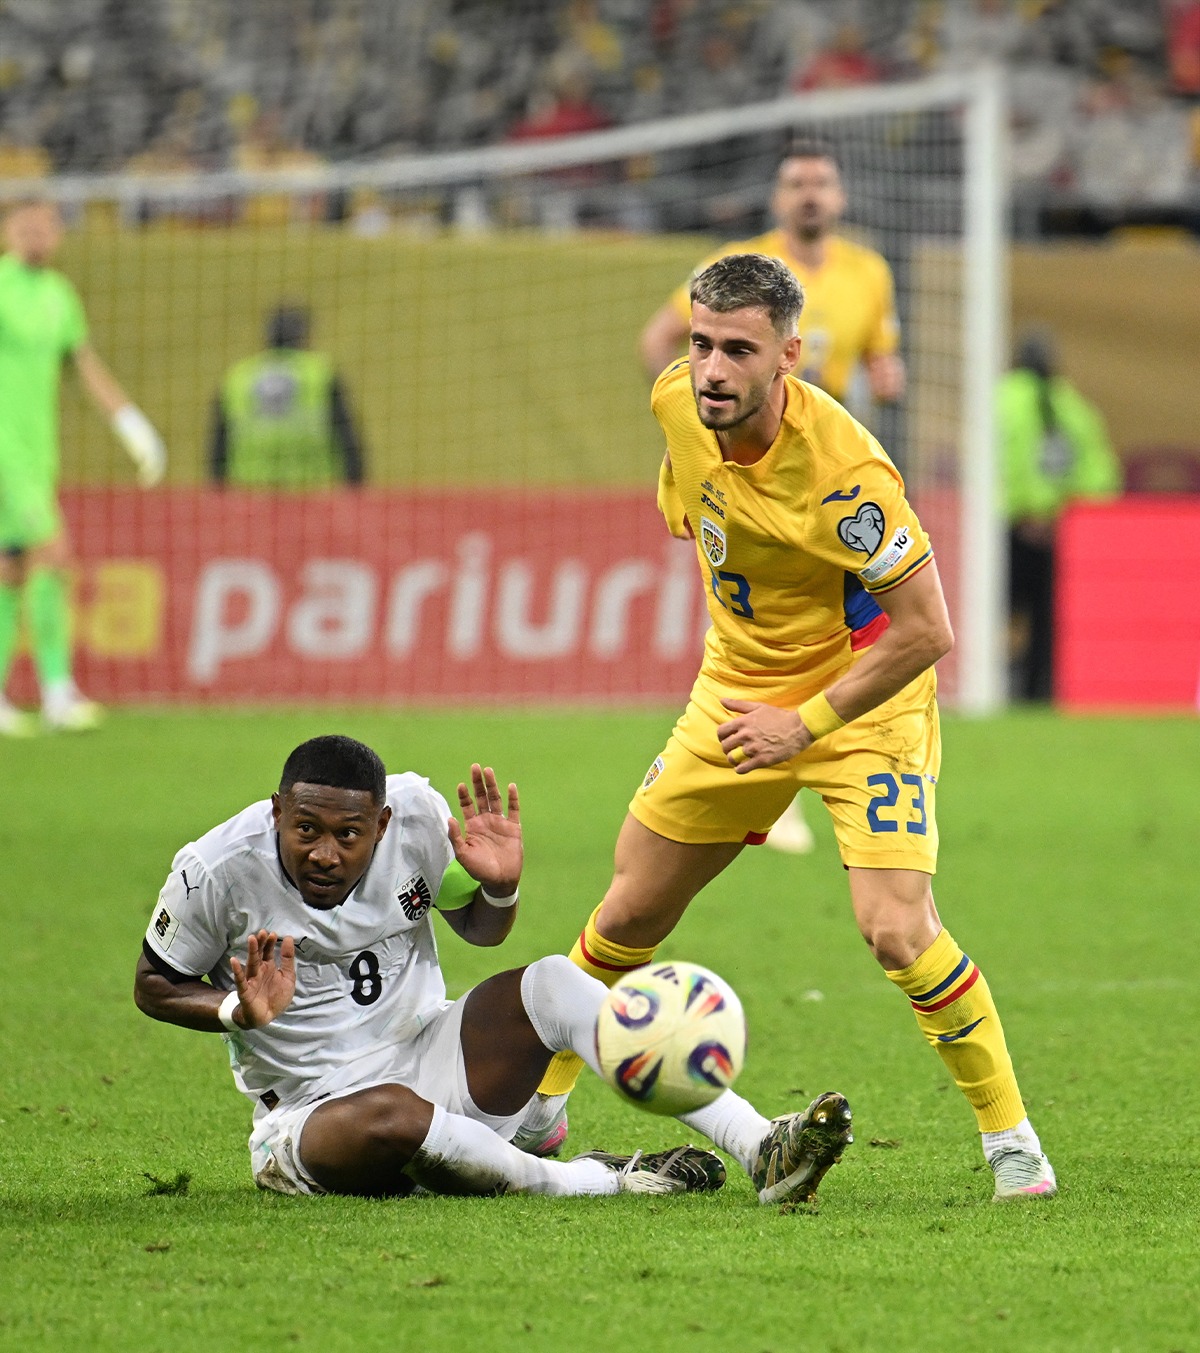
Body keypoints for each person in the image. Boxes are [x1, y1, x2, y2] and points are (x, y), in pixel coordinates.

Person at [534, 255, 1055, 1204]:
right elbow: (683, 503)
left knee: (897, 930)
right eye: (701, 344)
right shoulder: (676, 405)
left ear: (790, 355)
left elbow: (930, 631)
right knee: (628, 911)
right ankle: (538, 1113)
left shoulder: (850, 477)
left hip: (864, 700)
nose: (713, 370)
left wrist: (805, 723)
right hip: (735, 693)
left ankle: (1013, 1142)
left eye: (739, 349)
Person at [134, 733, 852, 1203]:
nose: (324, 852)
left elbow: (481, 930)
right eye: (305, 829)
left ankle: (760, 1143)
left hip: (431, 1056)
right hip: (316, 1114)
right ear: (277, 810)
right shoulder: (217, 870)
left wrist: (500, 887)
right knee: (392, 1117)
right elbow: (154, 984)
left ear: (380, 826)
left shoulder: (415, 816)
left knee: (549, 979)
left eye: (348, 835)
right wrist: (237, 1011)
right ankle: (600, 1181)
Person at [640, 142, 905, 854]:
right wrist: (692, 440)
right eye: (796, 183)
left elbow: (880, 351)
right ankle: (769, 775)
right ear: (778, 199)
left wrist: (887, 373)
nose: (809, 194)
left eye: (821, 182)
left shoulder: (869, 273)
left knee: (848, 619)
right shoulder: (737, 270)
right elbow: (662, 342)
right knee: (747, 610)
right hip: (744, 471)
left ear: (840, 198)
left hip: (820, 477)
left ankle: (824, 755)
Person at [0, 199, 166, 737]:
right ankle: (57, 692)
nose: (35, 234)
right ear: (6, 232)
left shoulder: (59, 296)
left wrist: (133, 427)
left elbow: (85, 367)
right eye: (24, 225)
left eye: (45, 224)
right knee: (55, 553)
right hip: (5, 453)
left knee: (10, 570)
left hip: (38, 453)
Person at [999, 328, 1121, 702]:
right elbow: (1101, 476)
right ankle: (1037, 693)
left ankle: (990, 685)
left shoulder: (1000, 399)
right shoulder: (1074, 407)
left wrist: (1018, 508)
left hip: (1007, 528)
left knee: (993, 612)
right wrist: (1064, 512)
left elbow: (989, 464)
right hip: (1058, 534)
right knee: (1047, 620)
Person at [209, 306, 365, 488]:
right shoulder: (319, 373)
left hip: (250, 496)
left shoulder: (238, 377)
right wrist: (356, 490)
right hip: (310, 495)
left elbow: (218, 446)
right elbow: (347, 437)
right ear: (303, 335)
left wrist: (218, 496)